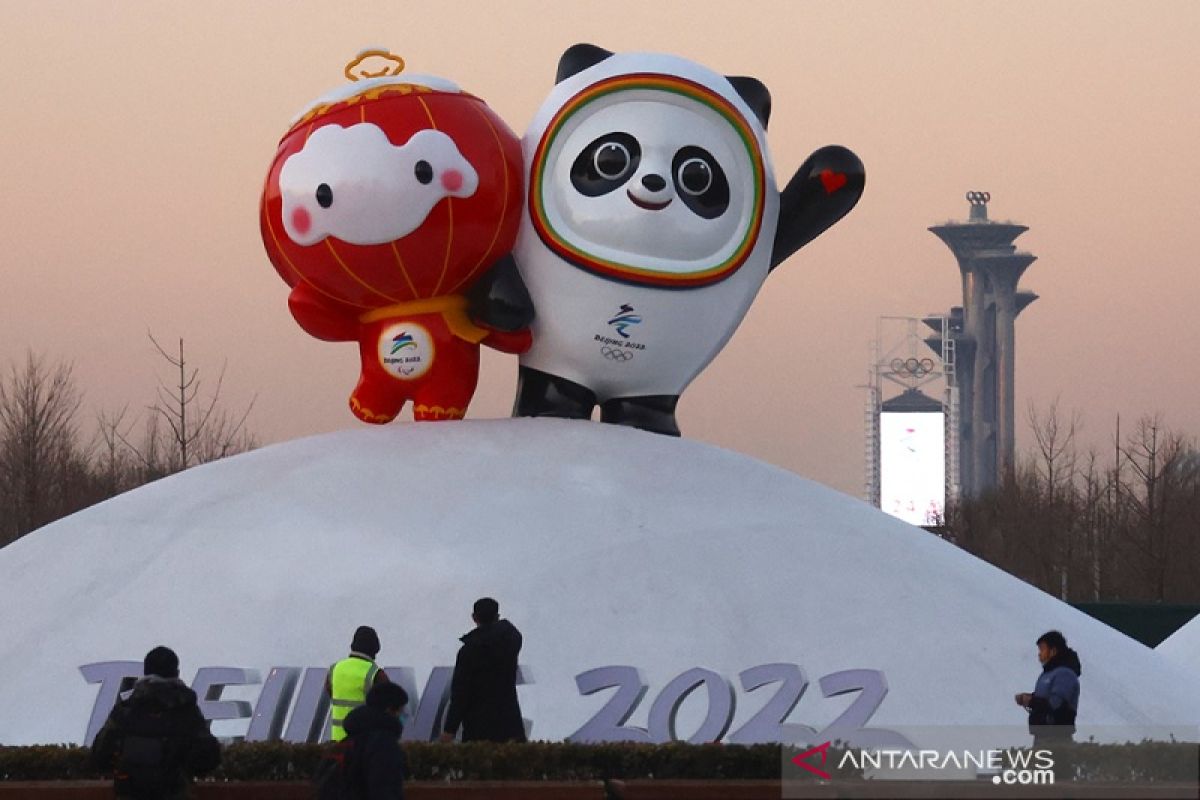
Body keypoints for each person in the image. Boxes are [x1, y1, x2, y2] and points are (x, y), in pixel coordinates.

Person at [90, 646, 221, 799]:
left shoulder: (126, 709)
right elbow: (209, 757)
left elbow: (100, 755)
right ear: (176, 673)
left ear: (145, 673)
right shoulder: (186, 710)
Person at [440, 597, 527, 743]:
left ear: (474, 618)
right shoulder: (511, 642)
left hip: (478, 727)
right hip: (510, 722)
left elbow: (461, 693)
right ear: (497, 616)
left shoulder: (469, 651)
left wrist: (450, 729)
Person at [341, 681, 410, 800]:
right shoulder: (384, 745)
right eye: (401, 710)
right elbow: (384, 790)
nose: (403, 715)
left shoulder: (350, 740)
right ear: (390, 711)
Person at [1015, 630, 1082, 745]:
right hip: (1042, 736)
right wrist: (1028, 699)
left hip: (1056, 738)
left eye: (1042, 649)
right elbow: (1044, 699)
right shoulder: (1049, 673)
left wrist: (1031, 700)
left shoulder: (1065, 674)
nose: (1039, 653)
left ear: (1053, 651)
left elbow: (1056, 704)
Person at [327, 625, 391, 742]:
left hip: (337, 743)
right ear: (375, 648)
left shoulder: (334, 669)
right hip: (364, 745)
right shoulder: (376, 674)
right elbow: (390, 709)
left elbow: (331, 693)